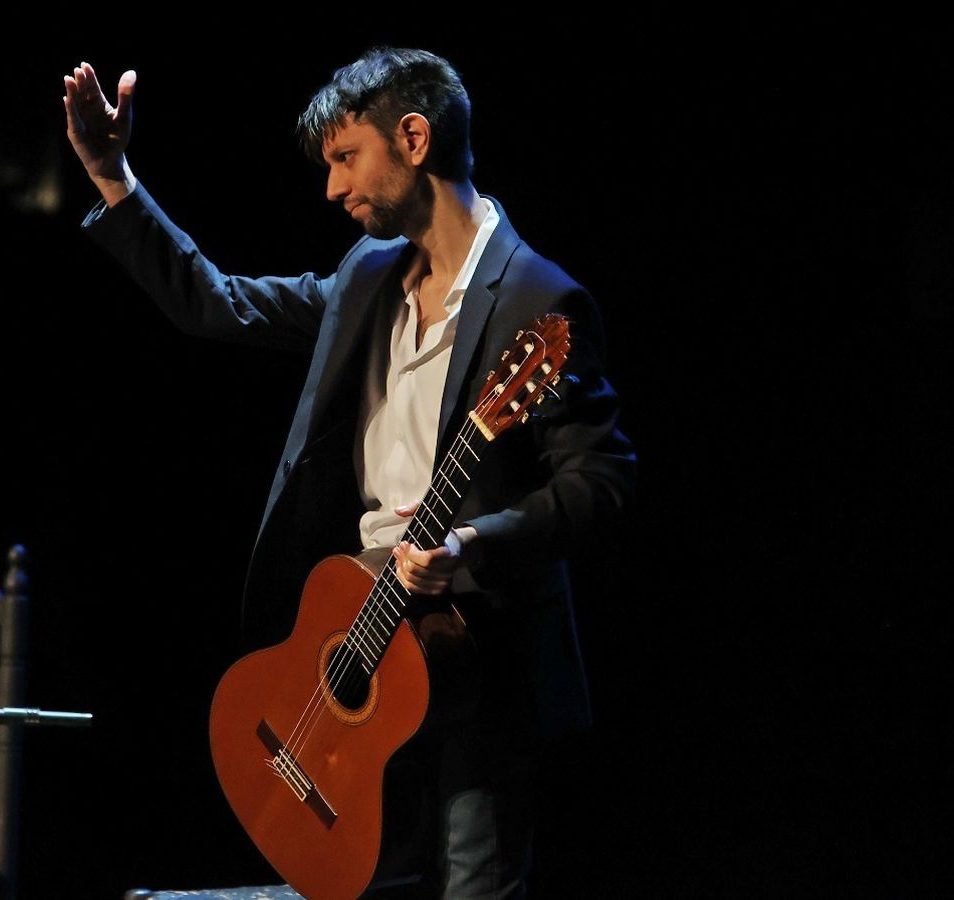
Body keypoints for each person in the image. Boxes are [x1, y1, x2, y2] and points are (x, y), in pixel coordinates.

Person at [64, 47, 635, 898]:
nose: (332, 188)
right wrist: (113, 177)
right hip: (357, 640)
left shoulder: (538, 302)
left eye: (345, 157)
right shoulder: (366, 277)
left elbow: (600, 482)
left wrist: (475, 541)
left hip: (478, 658)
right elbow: (217, 302)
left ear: (414, 139)